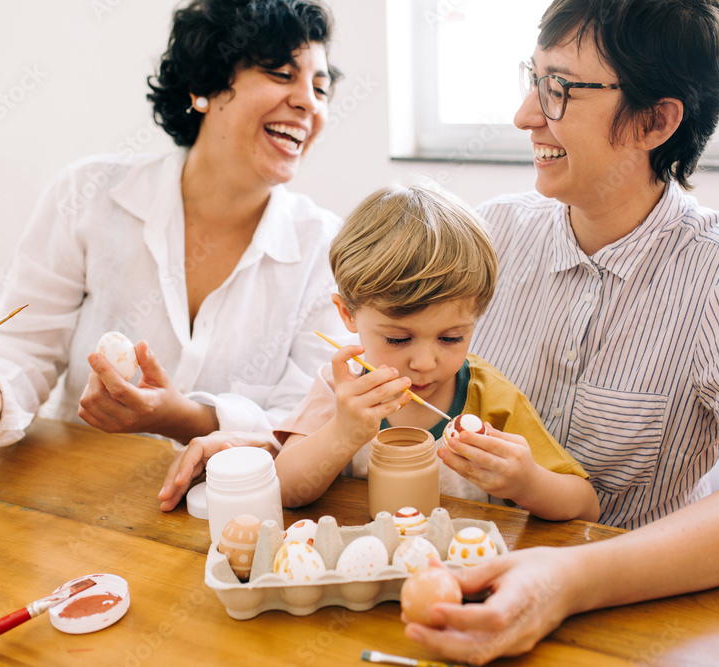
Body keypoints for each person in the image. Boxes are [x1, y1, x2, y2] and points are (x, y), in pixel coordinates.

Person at [403, 1, 719, 663]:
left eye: (560, 90)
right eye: (533, 79)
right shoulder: (493, 234)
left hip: (636, 628)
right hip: (460, 589)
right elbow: (382, 355)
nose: (525, 115)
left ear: (657, 120)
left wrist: (567, 580)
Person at [0, 0, 346, 450]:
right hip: (78, 484)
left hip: (233, 508)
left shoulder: (327, 247)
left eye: (321, 88)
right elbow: (25, 347)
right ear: (203, 86)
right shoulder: (88, 193)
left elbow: (308, 418)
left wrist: (187, 419)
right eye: (282, 74)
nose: (309, 101)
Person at [161, 179, 600, 520]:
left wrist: (527, 483)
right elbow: (288, 490)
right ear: (347, 315)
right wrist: (344, 432)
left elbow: (585, 507)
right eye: (398, 338)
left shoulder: (489, 397)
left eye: (451, 338)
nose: (426, 362)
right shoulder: (340, 387)